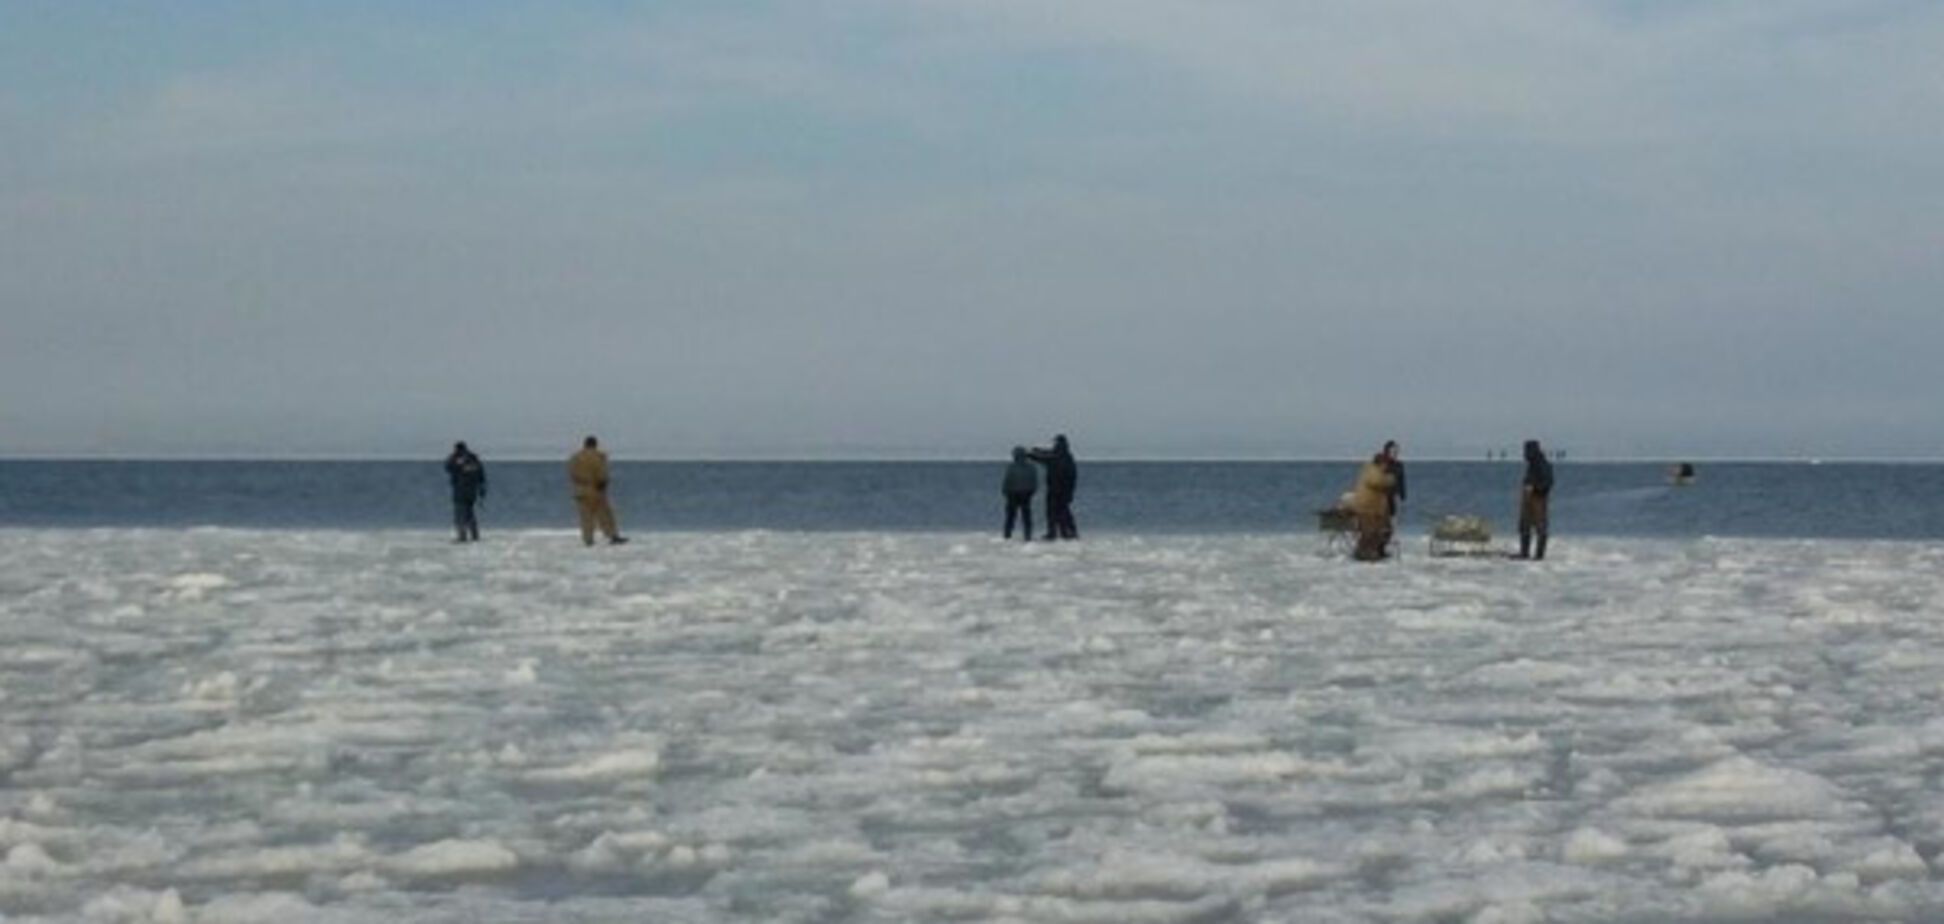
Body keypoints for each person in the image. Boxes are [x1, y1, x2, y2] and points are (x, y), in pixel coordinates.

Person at [567, 435, 628, 547]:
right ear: (595, 444)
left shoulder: (575, 457)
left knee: (585, 517)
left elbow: (572, 474)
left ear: (584, 444)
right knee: (605, 515)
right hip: (596, 489)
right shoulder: (599, 456)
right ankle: (612, 535)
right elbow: (602, 474)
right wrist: (603, 484)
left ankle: (588, 539)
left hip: (581, 490)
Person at [1343, 452, 1397, 561]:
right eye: (1386, 464)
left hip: (1376, 509)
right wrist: (1391, 479)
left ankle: (1378, 551)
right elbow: (1376, 482)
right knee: (1369, 533)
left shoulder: (1377, 471)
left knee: (1385, 531)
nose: (1387, 467)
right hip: (1367, 508)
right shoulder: (1372, 471)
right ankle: (1364, 553)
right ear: (1381, 463)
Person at [1027, 434, 1079, 540]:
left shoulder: (1057, 456)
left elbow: (1044, 458)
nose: (1054, 444)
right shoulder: (1067, 456)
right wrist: (1037, 451)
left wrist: (1030, 455)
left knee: (1053, 512)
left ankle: (1055, 533)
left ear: (1058, 443)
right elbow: (1047, 455)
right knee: (1064, 512)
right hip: (1065, 490)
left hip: (1056, 489)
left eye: (1055, 442)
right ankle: (1068, 532)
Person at [444, 441, 487, 542]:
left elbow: (448, 467)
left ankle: (462, 536)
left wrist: (454, 458)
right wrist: (482, 492)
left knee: (460, 513)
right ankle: (474, 535)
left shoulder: (457, 459)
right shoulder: (474, 460)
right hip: (472, 491)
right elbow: (482, 477)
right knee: (469, 513)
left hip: (461, 490)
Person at [1518, 439, 1553, 560]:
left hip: (1538, 499)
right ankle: (1524, 553)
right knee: (1524, 526)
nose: (1524, 454)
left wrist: (1535, 489)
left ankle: (1538, 555)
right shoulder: (1532, 464)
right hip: (1528, 498)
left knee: (1540, 528)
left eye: (1527, 451)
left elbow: (1548, 482)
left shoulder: (1543, 464)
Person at [1000, 446, 1038, 541]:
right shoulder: (1031, 467)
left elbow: (1007, 481)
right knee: (1026, 517)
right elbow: (1034, 482)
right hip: (1026, 494)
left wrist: (1005, 491)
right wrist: (1032, 492)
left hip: (1013, 494)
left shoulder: (1011, 467)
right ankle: (1027, 536)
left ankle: (1007, 535)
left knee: (1011, 517)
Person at [1381, 440, 1407, 518]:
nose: (1395, 453)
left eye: (1397, 451)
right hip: (1384, 495)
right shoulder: (1383, 464)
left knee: (1394, 516)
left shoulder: (1399, 465)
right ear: (1387, 451)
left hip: (1395, 494)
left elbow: (1402, 481)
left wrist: (1403, 495)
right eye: (1393, 451)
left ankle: (1393, 529)